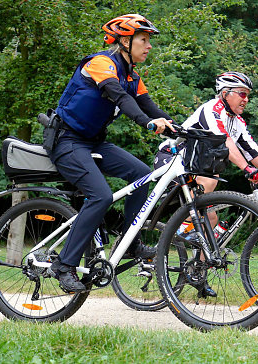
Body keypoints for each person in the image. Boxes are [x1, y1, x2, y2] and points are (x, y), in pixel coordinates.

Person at [49, 14, 174, 293]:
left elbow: (151, 107)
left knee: (142, 173)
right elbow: (118, 95)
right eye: (144, 39)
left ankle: (130, 243)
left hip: (93, 142)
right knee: (101, 196)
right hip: (67, 141)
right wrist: (146, 123)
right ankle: (64, 266)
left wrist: (182, 130)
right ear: (125, 41)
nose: (149, 45)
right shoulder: (101, 63)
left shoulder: (133, 76)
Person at [154, 71, 258, 297]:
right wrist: (248, 170)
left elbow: (251, 148)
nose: (246, 99)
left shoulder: (237, 121)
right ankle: (183, 231)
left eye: (248, 95)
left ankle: (197, 274)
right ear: (225, 94)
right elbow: (226, 142)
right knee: (210, 180)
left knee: (211, 221)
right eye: (242, 94)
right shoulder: (211, 110)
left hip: (194, 170)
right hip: (171, 160)